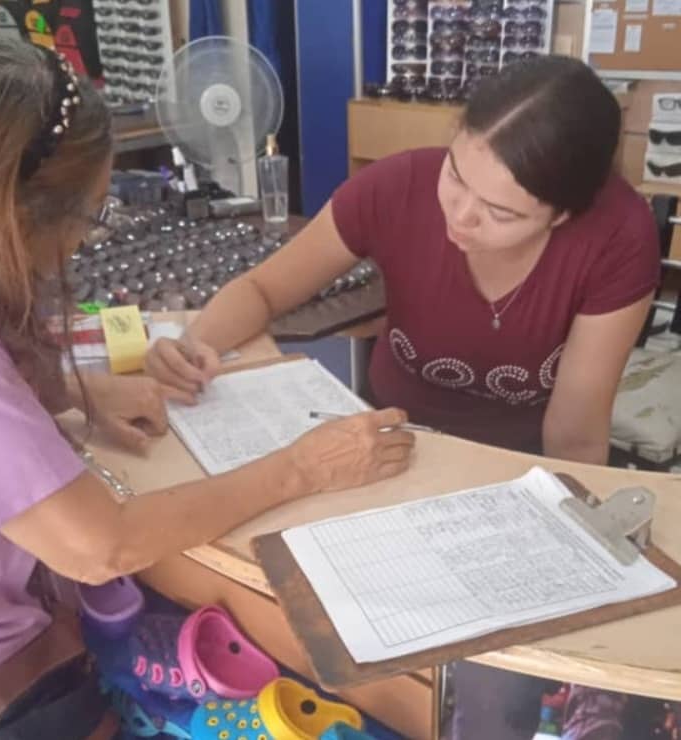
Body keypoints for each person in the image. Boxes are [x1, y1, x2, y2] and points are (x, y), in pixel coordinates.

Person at [146, 56, 660, 740]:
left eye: (501, 211)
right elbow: (265, 291)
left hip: (516, 475)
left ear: (563, 214)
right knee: (306, 617)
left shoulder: (618, 236)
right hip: (386, 442)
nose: (462, 216)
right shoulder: (398, 186)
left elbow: (573, 432)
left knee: (492, 684)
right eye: (457, 175)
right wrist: (196, 345)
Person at [0, 33, 415, 740]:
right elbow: (97, 546)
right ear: (15, 216)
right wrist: (303, 466)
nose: (85, 242)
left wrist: (74, 397)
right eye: (92, 215)